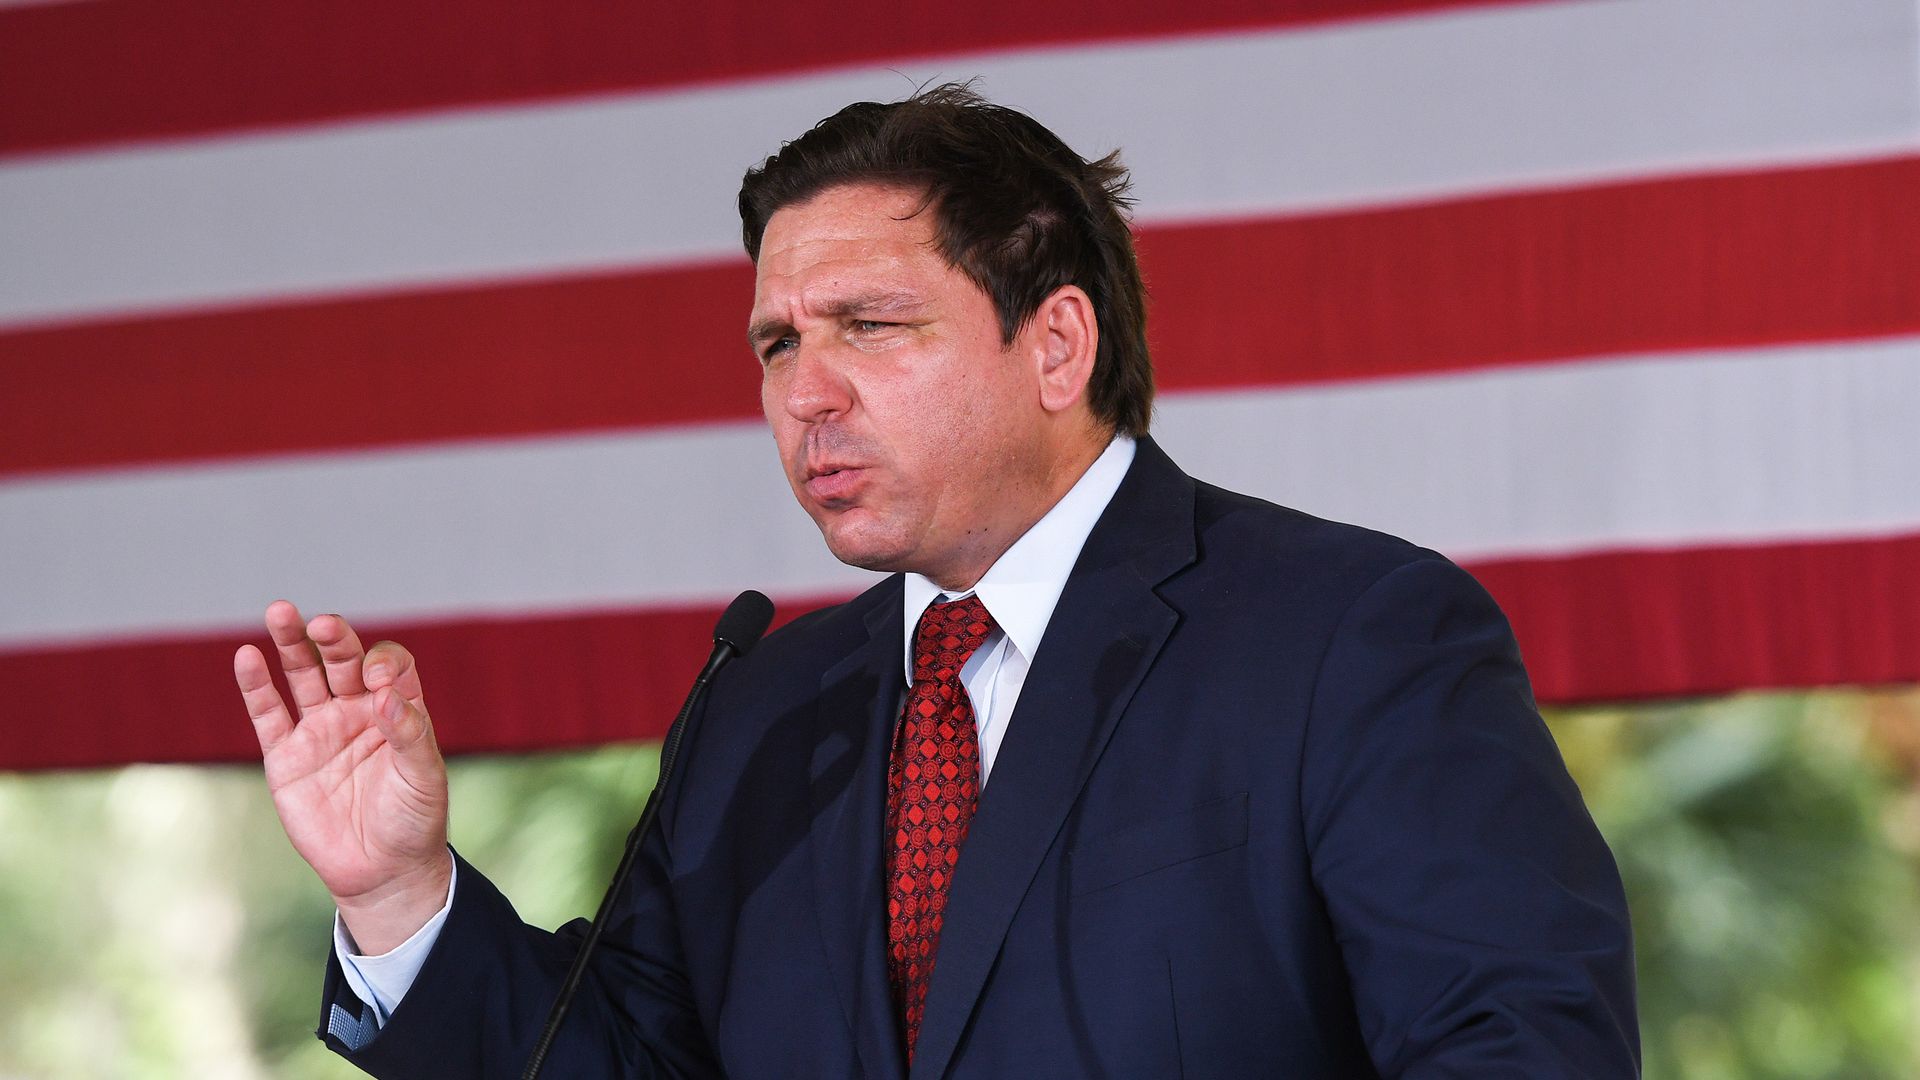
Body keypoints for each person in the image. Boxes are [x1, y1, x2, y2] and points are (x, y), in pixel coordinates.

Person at [237, 84, 1639, 1078]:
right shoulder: (760, 713)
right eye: (777, 344)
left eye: (870, 324)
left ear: (1056, 345)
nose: (807, 393)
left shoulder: (1353, 640)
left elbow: (1518, 1047)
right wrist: (403, 894)